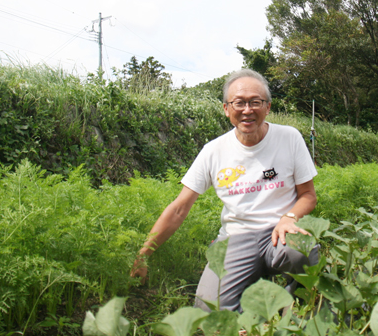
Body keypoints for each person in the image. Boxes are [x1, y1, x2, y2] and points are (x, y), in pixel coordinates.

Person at [130, 69, 318, 312]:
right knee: (209, 307)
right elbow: (179, 208)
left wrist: (288, 217)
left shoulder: (289, 138)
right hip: (237, 237)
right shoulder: (213, 151)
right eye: (239, 103)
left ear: (268, 107)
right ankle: (254, 318)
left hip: (280, 232)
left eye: (255, 102)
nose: (247, 110)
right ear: (226, 109)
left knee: (301, 254)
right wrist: (144, 253)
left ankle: (295, 308)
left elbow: (308, 195)